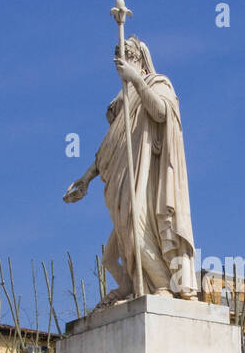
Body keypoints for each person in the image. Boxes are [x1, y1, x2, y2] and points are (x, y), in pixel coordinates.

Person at [63, 32, 198, 303]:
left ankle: (162, 283)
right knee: (111, 257)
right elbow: (112, 147)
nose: (121, 64)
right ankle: (129, 284)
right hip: (122, 178)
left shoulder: (157, 83)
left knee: (137, 230)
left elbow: (161, 113)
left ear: (138, 59)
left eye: (127, 58)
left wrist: (137, 81)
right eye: (119, 60)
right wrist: (86, 178)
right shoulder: (122, 101)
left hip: (146, 177)